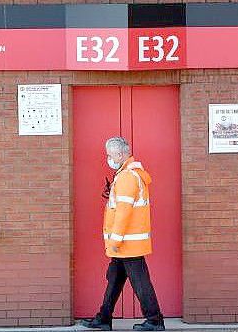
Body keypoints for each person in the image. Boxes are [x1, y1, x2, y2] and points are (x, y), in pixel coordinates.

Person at [80, 137, 165, 331]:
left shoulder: (127, 177)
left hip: (127, 242)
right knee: (115, 278)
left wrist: (115, 240)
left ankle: (154, 320)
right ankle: (104, 317)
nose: (108, 158)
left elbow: (124, 212)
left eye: (109, 155)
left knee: (140, 282)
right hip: (128, 242)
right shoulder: (130, 175)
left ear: (120, 154)